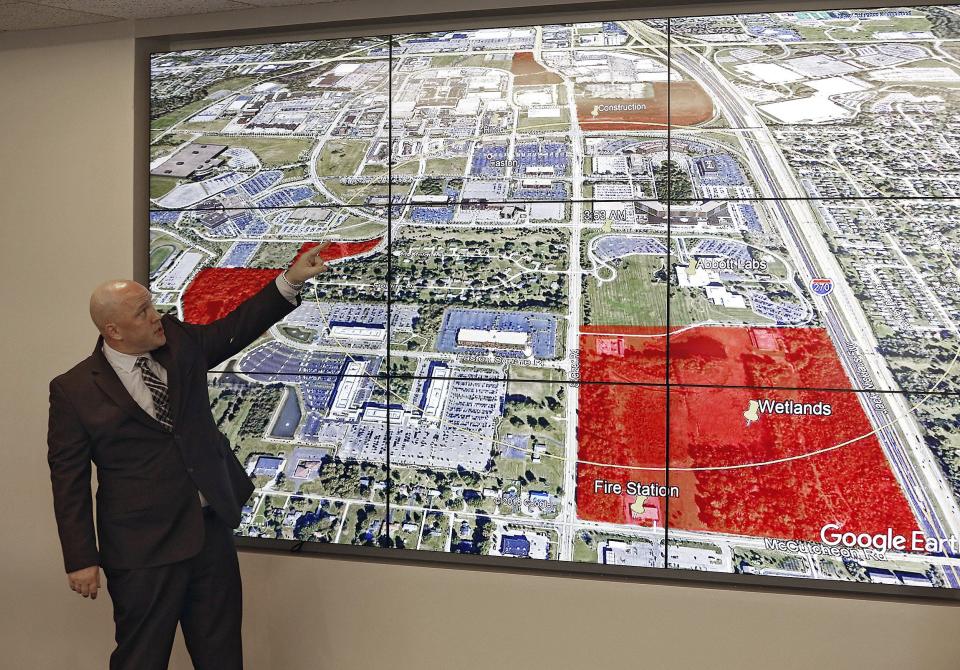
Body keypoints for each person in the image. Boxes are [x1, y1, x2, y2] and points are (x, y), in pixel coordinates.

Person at [47, 243, 330, 670]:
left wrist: (289, 281)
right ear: (114, 330)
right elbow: (67, 478)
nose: (156, 316)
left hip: (207, 535)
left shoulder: (178, 342)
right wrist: (81, 557)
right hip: (142, 550)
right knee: (141, 658)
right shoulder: (74, 390)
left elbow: (235, 328)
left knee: (221, 656)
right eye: (142, 312)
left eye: (152, 305)